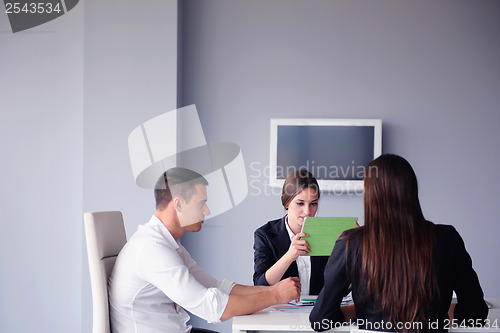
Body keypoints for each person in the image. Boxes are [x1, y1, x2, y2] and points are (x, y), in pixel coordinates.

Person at [310, 154, 488, 332]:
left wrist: (358, 308)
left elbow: (320, 320)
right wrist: (436, 314)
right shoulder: (448, 238)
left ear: (370, 195)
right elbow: (476, 313)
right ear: (412, 192)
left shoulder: (350, 244)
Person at [108, 167, 300, 333]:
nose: (207, 211)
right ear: (178, 204)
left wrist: (273, 289)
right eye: (201, 203)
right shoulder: (152, 250)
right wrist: (275, 296)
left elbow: (216, 287)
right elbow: (213, 308)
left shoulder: (167, 244)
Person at [253, 169, 329, 295]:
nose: (307, 211)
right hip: (280, 312)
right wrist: (290, 255)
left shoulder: (326, 233)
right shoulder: (265, 235)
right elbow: (260, 285)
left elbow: (340, 289)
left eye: (313, 204)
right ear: (286, 203)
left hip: (316, 312)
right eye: (300, 203)